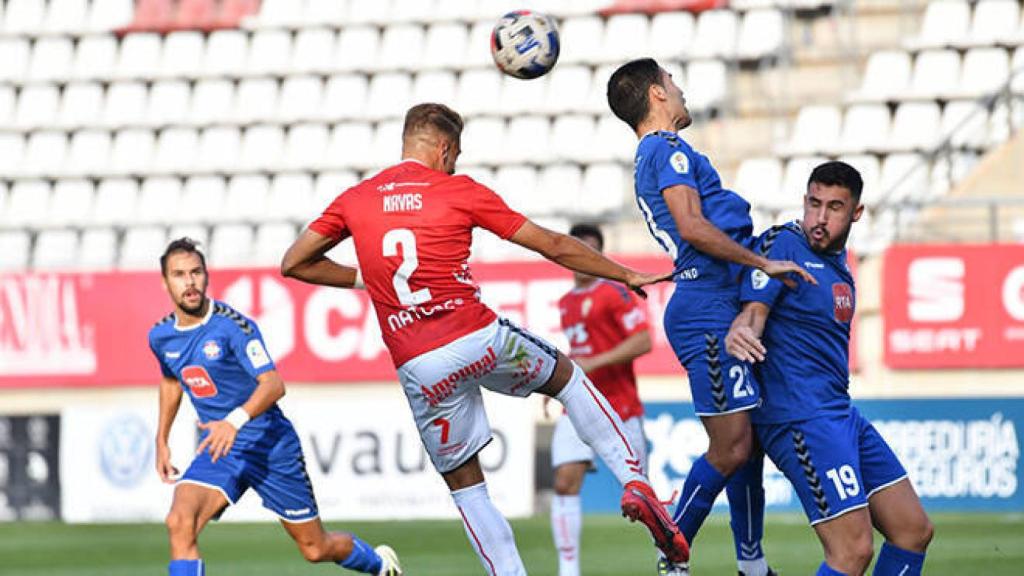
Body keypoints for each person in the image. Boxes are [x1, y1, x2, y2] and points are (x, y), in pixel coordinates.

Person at [280, 102, 690, 576]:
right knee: (566, 377)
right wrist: (622, 274)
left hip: (418, 363)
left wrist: (368, 278)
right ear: (444, 147)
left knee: (467, 489)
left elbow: (294, 262)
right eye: (455, 155)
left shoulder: (357, 198)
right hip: (476, 336)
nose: (455, 163)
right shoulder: (458, 189)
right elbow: (552, 244)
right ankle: (635, 480)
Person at [607, 57, 816, 576]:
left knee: (747, 444)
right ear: (657, 94)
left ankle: (751, 563)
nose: (681, 90)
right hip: (708, 310)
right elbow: (694, 228)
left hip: (716, 302)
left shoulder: (660, 153)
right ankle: (672, 541)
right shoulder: (666, 149)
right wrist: (762, 261)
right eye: (673, 82)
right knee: (732, 445)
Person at [725, 161, 934, 576]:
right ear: (804, 200)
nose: (820, 218)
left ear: (856, 213)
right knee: (852, 550)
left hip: (839, 414)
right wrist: (742, 330)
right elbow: (754, 312)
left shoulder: (839, 265)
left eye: (835, 207)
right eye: (814, 203)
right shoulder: (783, 245)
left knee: (913, 529)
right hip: (799, 418)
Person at [149, 238, 402, 576]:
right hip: (221, 450)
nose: (190, 281)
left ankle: (381, 565)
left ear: (207, 276)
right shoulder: (161, 336)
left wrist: (234, 421)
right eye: (180, 274)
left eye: (196, 272)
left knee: (315, 548)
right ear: (165, 282)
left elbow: (273, 384)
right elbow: (171, 381)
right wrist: (161, 439)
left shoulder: (233, 327)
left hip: (269, 445)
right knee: (179, 521)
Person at [549, 223, 654, 576]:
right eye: (577, 249)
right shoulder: (566, 302)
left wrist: (594, 362)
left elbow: (643, 341)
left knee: (642, 498)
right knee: (564, 482)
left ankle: (670, 557)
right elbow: (576, 353)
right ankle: (569, 570)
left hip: (619, 405)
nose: (582, 258)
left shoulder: (614, 292)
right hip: (577, 403)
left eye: (590, 250)